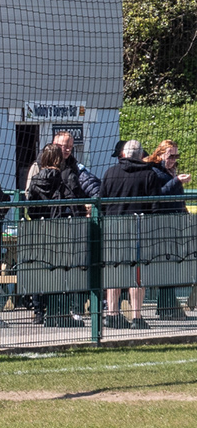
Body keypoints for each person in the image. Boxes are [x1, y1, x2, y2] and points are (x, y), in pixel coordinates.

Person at [102, 139, 166, 328]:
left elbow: (102, 204)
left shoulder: (110, 173)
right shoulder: (148, 175)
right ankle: (137, 316)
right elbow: (155, 207)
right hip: (139, 230)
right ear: (140, 155)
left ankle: (113, 314)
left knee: (114, 271)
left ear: (123, 154)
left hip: (113, 230)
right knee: (138, 275)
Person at [145, 140, 191, 320]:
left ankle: (167, 306)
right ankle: (167, 307)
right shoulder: (154, 171)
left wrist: (184, 211)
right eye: (170, 155)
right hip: (162, 223)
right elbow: (158, 196)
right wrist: (176, 181)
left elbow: (177, 198)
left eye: (176, 156)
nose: (173, 159)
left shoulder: (169, 171)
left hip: (175, 220)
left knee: (172, 266)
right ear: (161, 154)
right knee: (166, 266)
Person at [22, 143, 83, 219]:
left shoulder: (34, 180)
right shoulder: (64, 177)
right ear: (59, 159)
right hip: (59, 224)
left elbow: (30, 206)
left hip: (38, 224)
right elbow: (73, 202)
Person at [53, 130, 102, 202]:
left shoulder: (76, 169)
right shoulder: (39, 166)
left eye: (70, 147)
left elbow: (95, 190)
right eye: (65, 146)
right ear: (55, 145)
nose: (68, 150)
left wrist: (90, 207)